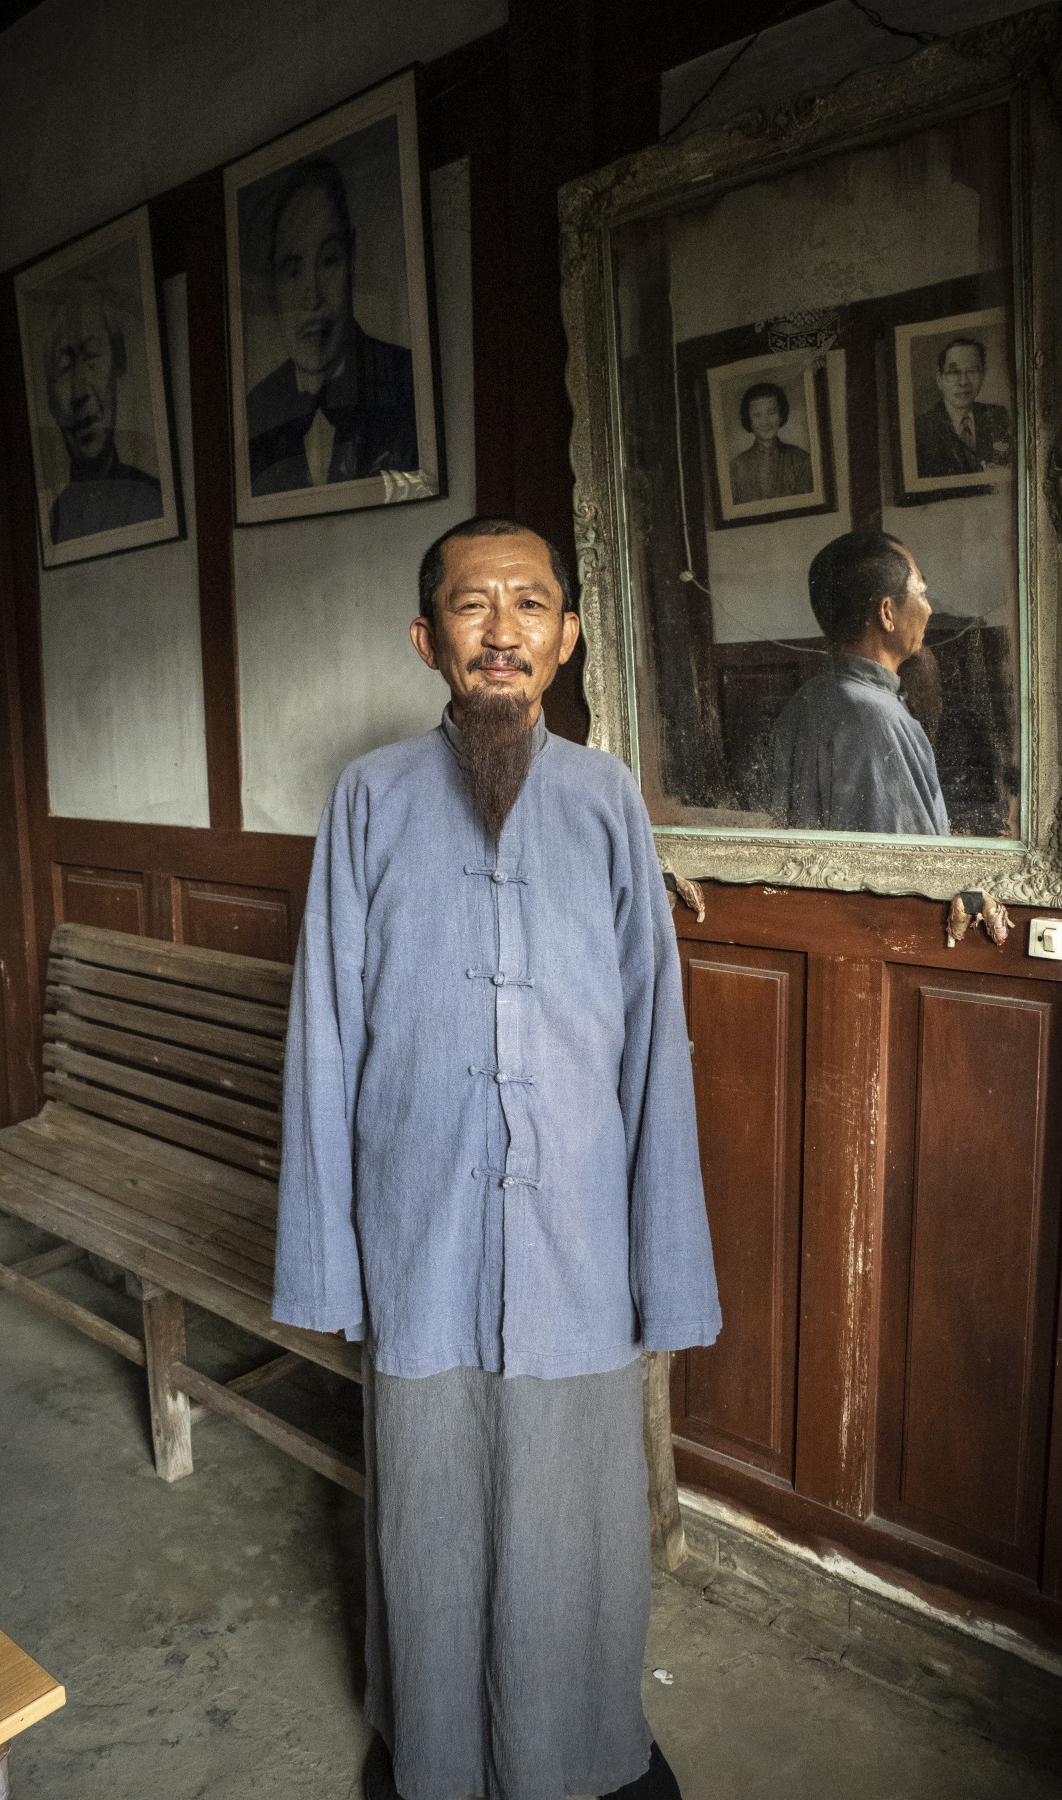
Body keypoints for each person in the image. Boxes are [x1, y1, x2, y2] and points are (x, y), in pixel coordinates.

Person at [272, 517, 721, 1800]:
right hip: (416, 1230)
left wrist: (665, 1273)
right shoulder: (366, 799)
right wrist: (331, 1267)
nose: (504, 630)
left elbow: (654, 1042)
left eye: (532, 605)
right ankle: (438, 1754)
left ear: (568, 639)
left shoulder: (607, 799)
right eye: (474, 607)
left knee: (573, 1523)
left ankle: (577, 1751)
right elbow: (325, 1040)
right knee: (428, 1509)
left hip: (575, 1236)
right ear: (429, 640)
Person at [245, 156, 417, 494]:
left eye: (328, 262)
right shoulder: (257, 410)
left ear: (351, 258)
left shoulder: (405, 380)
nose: (313, 299)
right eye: (293, 271)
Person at [771, 529, 950, 835]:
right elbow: (912, 863)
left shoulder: (807, 698)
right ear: (887, 613)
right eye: (922, 593)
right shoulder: (876, 718)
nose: (929, 609)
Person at [43, 278, 163, 543]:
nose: (80, 391)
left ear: (118, 365)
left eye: (92, 355)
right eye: (63, 366)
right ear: (50, 401)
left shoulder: (154, 502)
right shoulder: (52, 527)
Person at [913, 336, 1013, 479]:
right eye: (953, 372)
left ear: (983, 375)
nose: (964, 382)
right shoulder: (922, 429)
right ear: (939, 379)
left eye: (972, 371)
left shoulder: (997, 415)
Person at [728, 379, 813, 505]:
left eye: (771, 413)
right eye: (757, 415)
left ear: (781, 415)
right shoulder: (736, 467)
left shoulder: (802, 460)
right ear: (748, 419)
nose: (765, 422)